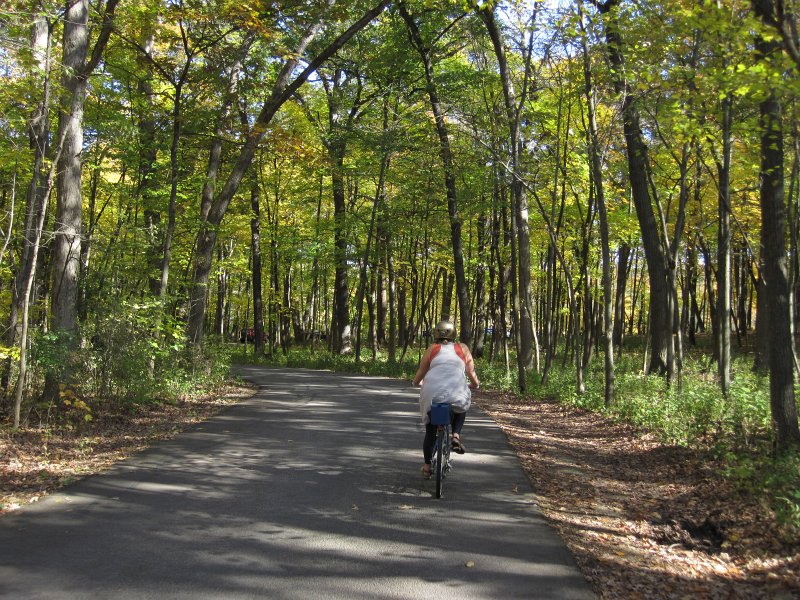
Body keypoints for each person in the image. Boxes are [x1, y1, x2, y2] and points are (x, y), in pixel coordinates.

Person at [412, 320, 480, 479]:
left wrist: (416, 383)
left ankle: (427, 467)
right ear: (454, 334)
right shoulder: (462, 348)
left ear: (436, 334)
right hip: (456, 391)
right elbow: (471, 372)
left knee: (430, 431)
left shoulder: (432, 349)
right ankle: (456, 435)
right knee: (461, 407)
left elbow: (422, 371)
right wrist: (475, 385)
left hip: (432, 393)